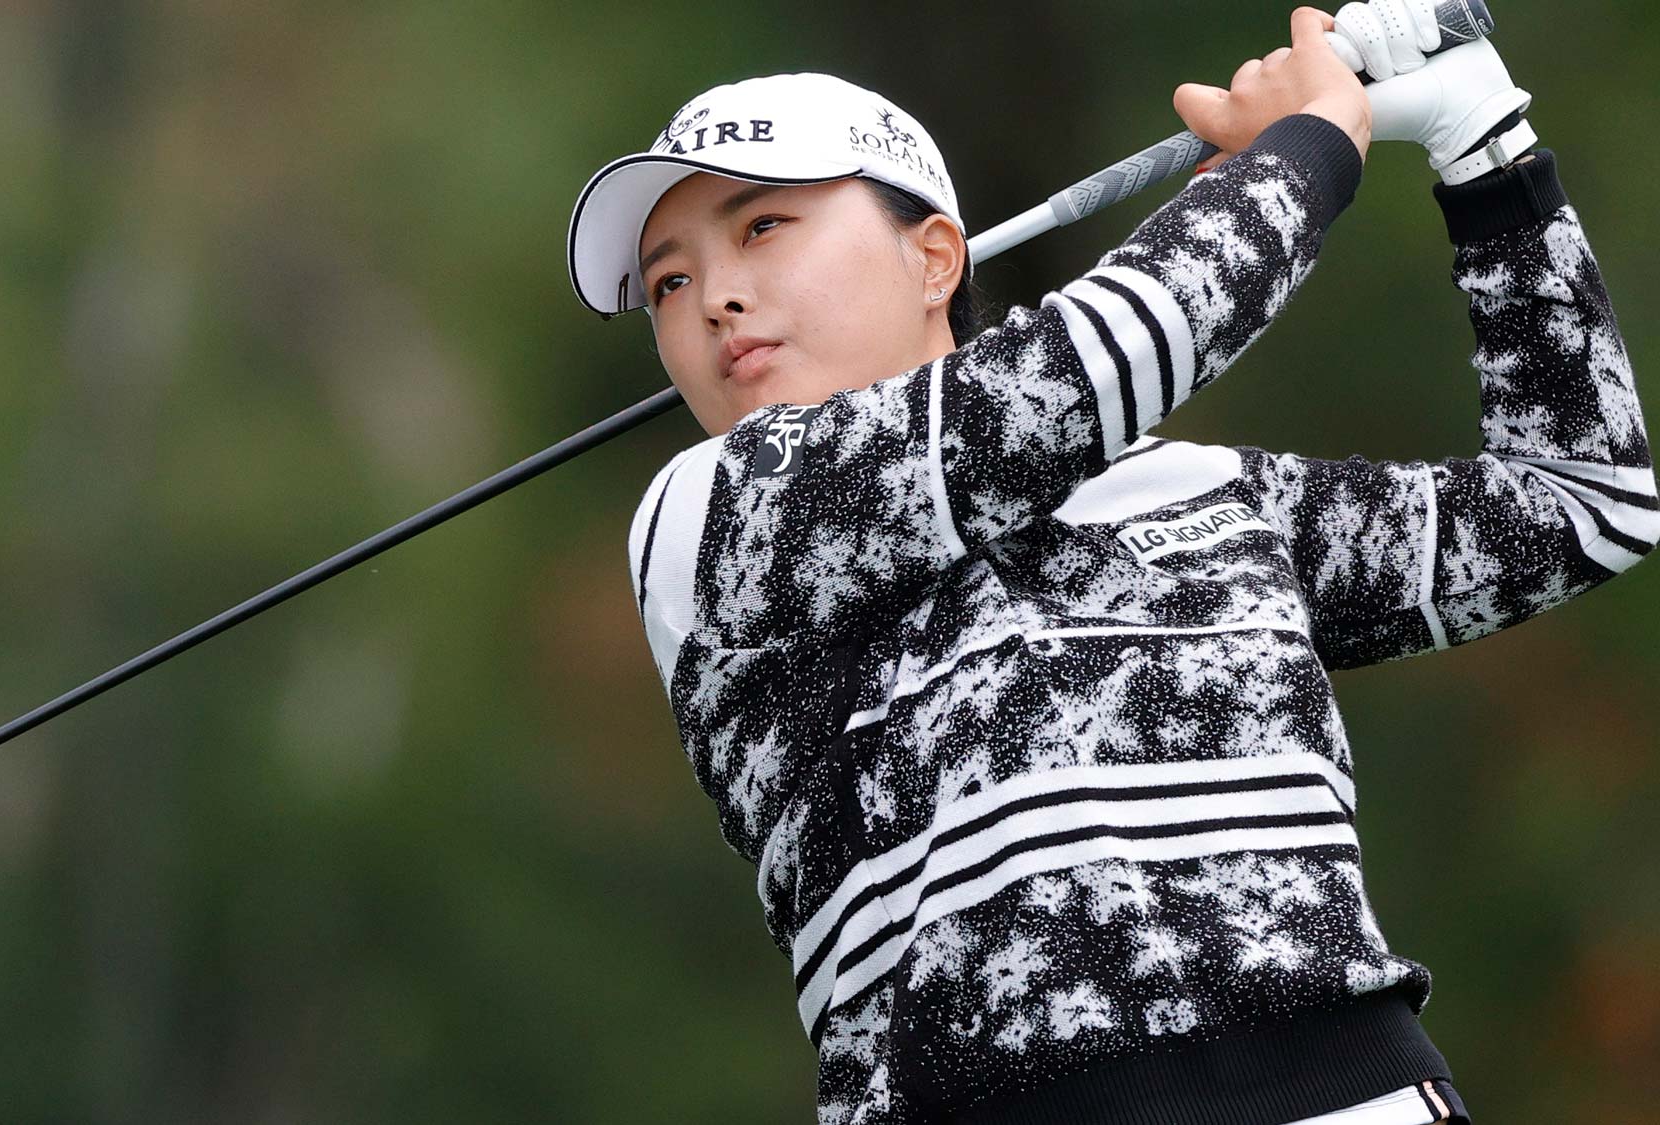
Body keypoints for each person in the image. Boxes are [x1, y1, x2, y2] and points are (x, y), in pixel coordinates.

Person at [566, 5, 1651, 1123]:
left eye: (759, 230)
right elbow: (1075, 377)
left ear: (934, 255)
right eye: (667, 284)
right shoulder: (714, 522)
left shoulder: (1197, 493)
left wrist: (1484, 147)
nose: (714, 300)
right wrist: (1310, 144)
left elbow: (1582, 504)